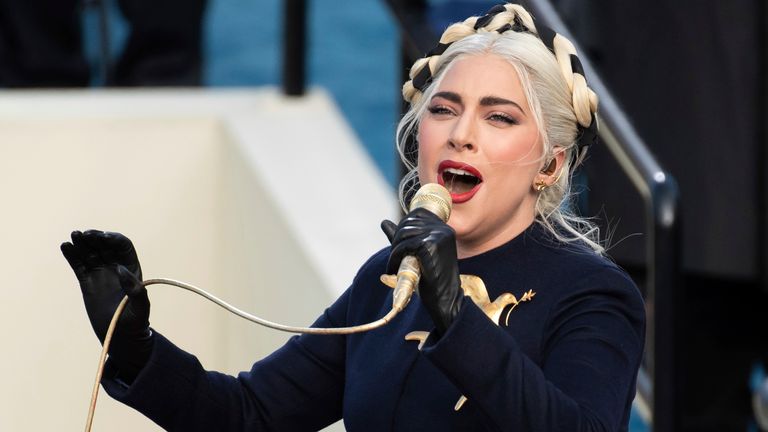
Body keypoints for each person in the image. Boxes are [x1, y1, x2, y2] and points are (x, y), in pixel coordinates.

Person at [61, 3, 645, 431]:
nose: (461, 134)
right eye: (444, 109)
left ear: (551, 163)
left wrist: (455, 317)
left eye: (499, 118)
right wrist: (136, 346)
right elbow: (250, 415)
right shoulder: (386, 280)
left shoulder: (593, 294)